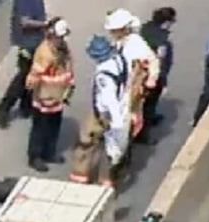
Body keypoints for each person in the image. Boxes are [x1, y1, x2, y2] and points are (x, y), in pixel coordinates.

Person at [69, 36, 129, 188]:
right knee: (109, 149)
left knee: (85, 143)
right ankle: (105, 179)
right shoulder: (119, 60)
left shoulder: (104, 75)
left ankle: (80, 176)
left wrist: (115, 121)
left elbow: (109, 99)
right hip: (119, 110)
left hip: (102, 114)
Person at [24, 18, 74, 172]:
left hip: (58, 96)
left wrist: (70, 85)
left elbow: (68, 67)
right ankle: (35, 157)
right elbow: (35, 74)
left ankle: (49, 153)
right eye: (60, 37)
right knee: (40, 128)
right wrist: (31, 85)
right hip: (44, 97)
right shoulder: (44, 52)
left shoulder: (63, 48)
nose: (62, 40)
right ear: (52, 35)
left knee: (54, 126)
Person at [108, 10, 159, 145]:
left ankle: (133, 139)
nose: (112, 33)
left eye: (115, 30)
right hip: (120, 85)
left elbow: (152, 61)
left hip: (132, 87)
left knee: (133, 115)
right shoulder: (118, 43)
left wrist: (150, 81)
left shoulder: (136, 44)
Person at [0, 0, 48, 128]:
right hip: (27, 44)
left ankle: (26, 105)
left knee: (32, 74)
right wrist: (45, 24)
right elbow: (25, 22)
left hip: (36, 42)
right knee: (22, 78)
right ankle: (3, 110)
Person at [139, 8, 177, 135]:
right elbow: (161, 60)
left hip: (140, 71)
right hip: (153, 75)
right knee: (150, 102)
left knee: (142, 101)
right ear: (166, 22)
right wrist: (164, 82)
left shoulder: (145, 28)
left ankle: (149, 118)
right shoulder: (162, 40)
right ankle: (144, 132)